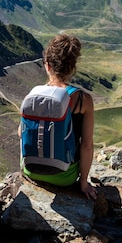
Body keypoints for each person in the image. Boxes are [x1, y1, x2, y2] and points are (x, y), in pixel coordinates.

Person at [21, 34, 97, 200]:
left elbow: (22, 133)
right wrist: (83, 182)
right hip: (65, 176)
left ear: (47, 66)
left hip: (31, 170)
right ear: (73, 67)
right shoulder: (83, 100)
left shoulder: (34, 95)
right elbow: (87, 145)